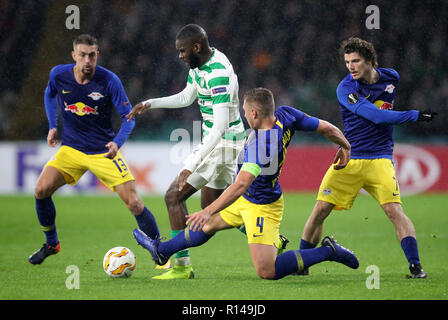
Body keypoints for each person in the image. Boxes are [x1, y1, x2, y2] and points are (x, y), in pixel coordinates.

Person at [133, 87, 359, 280]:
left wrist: (208, 209)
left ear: (254, 112)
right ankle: (161, 251)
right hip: (247, 198)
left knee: (267, 270)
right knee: (208, 226)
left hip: (261, 206)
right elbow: (327, 128)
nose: (243, 115)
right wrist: (346, 146)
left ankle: (328, 251)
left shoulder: (262, 145)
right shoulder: (286, 115)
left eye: (244, 111)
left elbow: (241, 184)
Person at [299, 37, 437, 278]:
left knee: (394, 211)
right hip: (349, 159)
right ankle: (301, 263)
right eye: (347, 62)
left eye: (356, 61)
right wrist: (415, 115)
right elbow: (377, 116)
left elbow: (386, 102)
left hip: (380, 158)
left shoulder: (391, 77)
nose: (350, 67)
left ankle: (416, 267)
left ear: (370, 61)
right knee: (320, 209)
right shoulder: (345, 89)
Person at [126, 24, 251, 279]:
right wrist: (151, 104)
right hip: (224, 142)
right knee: (210, 211)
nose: (180, 56)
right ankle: (265, 233)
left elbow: (218, 127)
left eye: (182, 51)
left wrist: (190, 164)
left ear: (196, 47)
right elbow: (186, 97)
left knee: (173, 196)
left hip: (223, 143)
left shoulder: (218, 72)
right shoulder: (200, 67)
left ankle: (180, 268)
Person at [28, 34, 160, 265]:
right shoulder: (58, 74)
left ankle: (161, 249)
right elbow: (50, 93)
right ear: (74, 56)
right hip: (71, 150)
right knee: (41, 190)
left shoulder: (109, 80)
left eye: (91, 55)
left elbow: (129, 119)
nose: (87, 60)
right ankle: (52, 243)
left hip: (102, 152)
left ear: (97, 54)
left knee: (135, 203)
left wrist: (116, 143)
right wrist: (52, 126)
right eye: (82, 55)